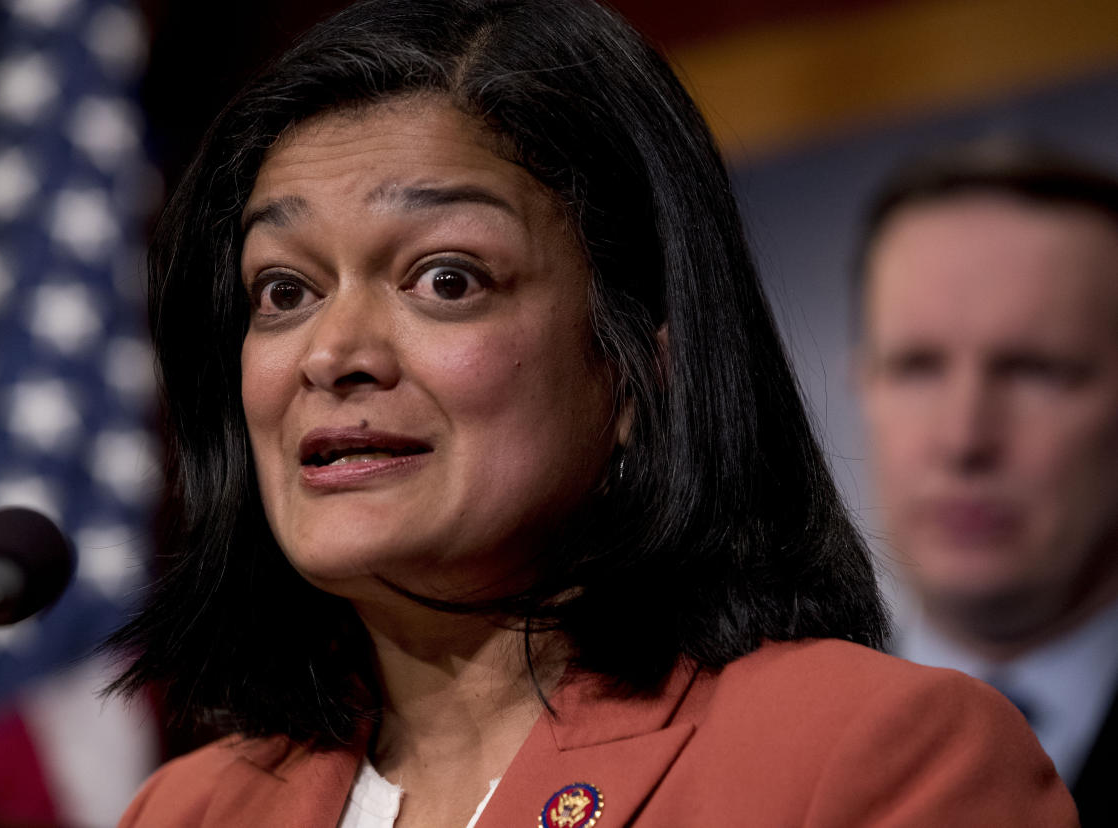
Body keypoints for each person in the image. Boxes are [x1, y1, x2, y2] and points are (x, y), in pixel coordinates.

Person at [110, 1, 1075, 825]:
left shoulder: (872, 761)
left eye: (446, 278)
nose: (332, 354)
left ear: (638, 369)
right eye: (283, 291)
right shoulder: (186, 808)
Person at [856, 140, 1118, 824]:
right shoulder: (771, 747)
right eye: (918, 367)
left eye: (1036, 370)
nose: (964, 439)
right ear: (864, 387)